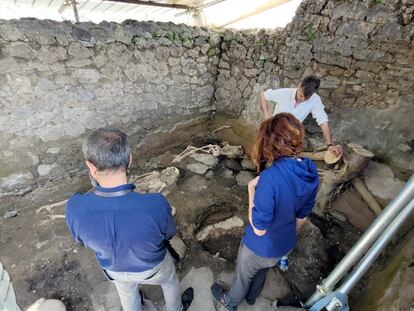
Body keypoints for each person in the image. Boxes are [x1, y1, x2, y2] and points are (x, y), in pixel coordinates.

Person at [66, 128, 193, 311]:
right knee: (170, 281)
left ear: (91, 167)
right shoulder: (155, 204)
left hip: (114, 270)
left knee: (126, 292)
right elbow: (169, 233)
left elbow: (81, 241)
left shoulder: (75, 207)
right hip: (153, 268)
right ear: (129, 160)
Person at [211, 113, 319, 310]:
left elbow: (259, 227)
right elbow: (302, 215)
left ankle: (230, 303)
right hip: (284, 246)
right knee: (262, 269)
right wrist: (287, 237)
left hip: (260, 246)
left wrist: (251, 189)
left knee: (244, 274)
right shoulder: (310, 170)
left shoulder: (270, 178)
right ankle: (252, 297)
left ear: (270, 142)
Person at [259, 75, 342, 157]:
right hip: (274, 131)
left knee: (283, 158)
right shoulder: (285, 93)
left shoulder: (315, 100)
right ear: (299, 86)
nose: (302, 99)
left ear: (312, 94)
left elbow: (323, 121)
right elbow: (263, 95)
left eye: (306, 98)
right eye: (301, 95)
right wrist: (267, 114)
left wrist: (330, 144)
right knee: (264, 152)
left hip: (291, 137)